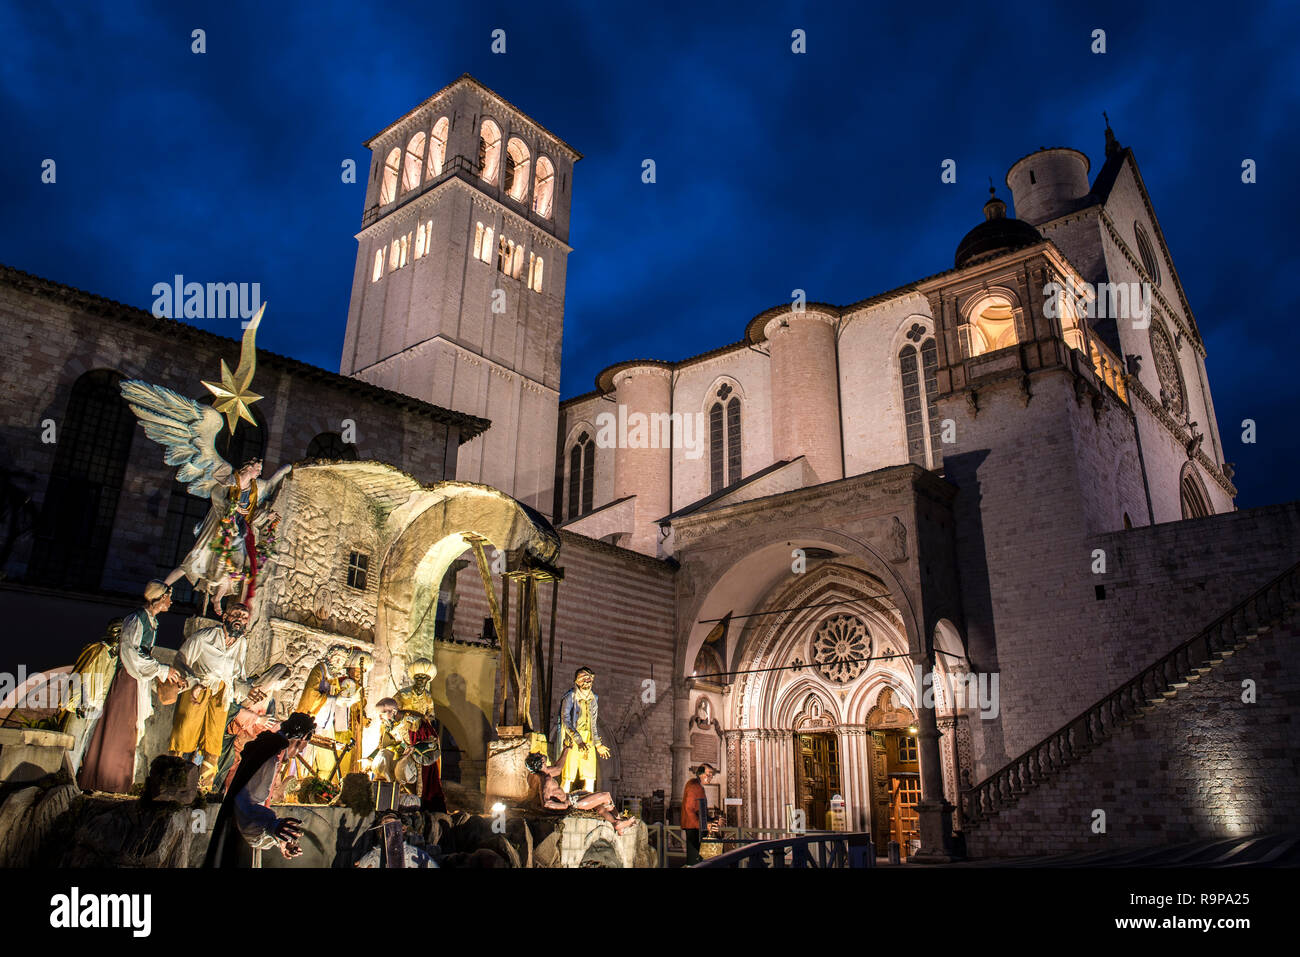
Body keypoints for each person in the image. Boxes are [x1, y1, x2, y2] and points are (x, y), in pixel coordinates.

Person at [78, 581, 183, 793]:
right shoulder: (136, 619)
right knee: (120, 726)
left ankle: (117, 781)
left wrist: (163, 675)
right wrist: (162, 669)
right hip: (127, 680)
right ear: (160, 598)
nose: (170, 602)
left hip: (137, 681)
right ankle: (106, 781)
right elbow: (131, 653)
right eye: (168, 597)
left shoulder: (151, 622)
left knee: (131, 730)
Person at [162, 457, 285, 615]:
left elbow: (250, 513)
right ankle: (164, 586)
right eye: (258, 468)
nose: (260, 472)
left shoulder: (254, 488)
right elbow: (217, 496)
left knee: (232, 567)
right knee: (197, 559)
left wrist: (267, 516)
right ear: (248, 467)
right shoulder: (231, 479)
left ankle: (217, 598)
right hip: (219, 526)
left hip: (237, 530)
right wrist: (233, 506)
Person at [202, 712, 314, 867]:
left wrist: (278, 839)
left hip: (239, 833)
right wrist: (272, 825)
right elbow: (246, 804)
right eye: (303, 747)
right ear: (299, 739)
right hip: (238, 838)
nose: (300, 752)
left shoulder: (267, 747)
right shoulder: (270, 755)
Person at [169, 603, 253, 791]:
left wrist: (248, 689)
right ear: (225, 617)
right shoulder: (204, 637)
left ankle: (203, 788)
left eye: (245, 617)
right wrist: (192, 682)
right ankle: (172, 782)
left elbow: (238, 675)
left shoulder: (241, 643)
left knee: (213, 741)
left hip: (221, 694)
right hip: (199, 689)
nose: (240, 619)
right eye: (236, 615)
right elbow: (181, 659)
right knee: (184, 734)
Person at [57, 618, 122, 776]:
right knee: (71, 742)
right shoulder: (96, 650)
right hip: (81, 706)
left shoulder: (117, 658)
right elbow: (82, 674)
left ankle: (77, 779)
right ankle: (64, 778)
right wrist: (82, 701)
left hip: (98, 708)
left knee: (86, 745)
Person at [214, 663, 288, 795]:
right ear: (275, 679)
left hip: (250, 742)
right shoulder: (250, 688)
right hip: (235, 737)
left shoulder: (270, 700)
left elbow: (268, 718)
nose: (282, 686)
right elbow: (233, 710)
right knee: (227, 770)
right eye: (282, 682)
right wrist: (258, 719)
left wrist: (272, 724)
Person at [524, 750, 634, 835]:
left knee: (599, 807)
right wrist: (564, 805)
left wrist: (566, 749)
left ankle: (617, 824)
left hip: (572, 797)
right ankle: (618, 823)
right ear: (540, 762)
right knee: (606, 796)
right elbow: (546, 803)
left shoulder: (542, 773)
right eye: (539, 755)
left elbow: (558, 768)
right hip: (573, 802)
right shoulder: (546, 779)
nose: (541, 753)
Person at [394, 658, 445, 811]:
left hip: (423, 733)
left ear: (428, 680)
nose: (421, 681)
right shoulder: (403, 694)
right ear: (414, 679)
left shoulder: (428, 696)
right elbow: (394, 712)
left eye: (424, 679)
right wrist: (408, 715)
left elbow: (431, 714)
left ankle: (426, 796)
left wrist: (426, 719)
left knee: (429, 763)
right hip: (406, 731)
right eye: (419, 678)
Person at [556, 666, 609, 792]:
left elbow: (593, 723)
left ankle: (589, 806)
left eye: (589, 680)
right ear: (577, 681)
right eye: (584, 680)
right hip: (573, 739)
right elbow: (566, 720)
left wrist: (598, 744)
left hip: (588, 739)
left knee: (590, 776)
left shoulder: (593, 699)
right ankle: (564, 803)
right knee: (568, 776)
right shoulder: (570, 697)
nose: (587, 683)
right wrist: (578, 740)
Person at [682, 762, 717, 866]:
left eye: (712, 774)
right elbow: (689, 809)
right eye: (708, 774)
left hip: (697, 827)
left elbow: (700, 810)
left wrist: (712, 819)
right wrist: (701, 825)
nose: (711, 776)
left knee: (700, 860)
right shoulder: (693, 786)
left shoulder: (698, 786)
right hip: (694, 828)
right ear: (701, 774)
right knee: (695, 860)